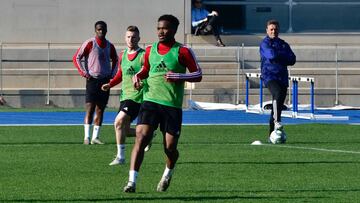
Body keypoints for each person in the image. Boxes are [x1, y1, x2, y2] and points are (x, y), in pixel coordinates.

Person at [123, 14, 202, 193]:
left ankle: (168, 173)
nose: (161, 31)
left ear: (174, 30)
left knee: (170, 148)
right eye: (159, 28)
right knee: (141, 138)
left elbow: (198, 74)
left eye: (165, 28)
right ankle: (131, 182)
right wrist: (137, 77)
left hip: (171, 106)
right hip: (150, 100)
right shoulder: (150, 50)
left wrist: (179, 76)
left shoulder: (183, 51)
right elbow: (145, 70)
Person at [101, 25, 149, 165]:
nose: (131, 39)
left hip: (137, 97)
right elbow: (121, 74)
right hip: (125, 96)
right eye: (128, 37)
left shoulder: (143, 55)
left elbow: (148, 74)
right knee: (125, 130)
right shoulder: (122, 55)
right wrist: (110, 84)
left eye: (134, 37)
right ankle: (148, 135)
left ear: (139, 38)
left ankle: (120, 157)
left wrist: (142, 84)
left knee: (118, 121)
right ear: (125, 38)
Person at [73, 21, 118, 145]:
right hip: (92, 80)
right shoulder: (90, 43)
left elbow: (116, 60)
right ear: (95, 30)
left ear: (106, 30)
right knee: (90, 108)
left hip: (104, 81)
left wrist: (112, 75)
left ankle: (95, 137)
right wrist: (84, 73)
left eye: (103, 29)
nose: (101, 31)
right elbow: (77, 57)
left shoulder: (110, 46)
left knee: (100, 109)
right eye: (99, 29)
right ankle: (86, 137)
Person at [259, 19, 296, 142]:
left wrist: (279, 54)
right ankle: (277, 121)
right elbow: (271, 55)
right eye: (271, 29)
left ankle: (271, 135)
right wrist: (282, 55)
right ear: (267, 30)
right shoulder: (264, 43)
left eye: (275, 29)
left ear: (278, 30)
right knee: (277, 94)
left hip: (282, 77)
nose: (273, 31)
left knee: (278, 105)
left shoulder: (283, 44)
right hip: (269, 76)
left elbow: (292, 59)